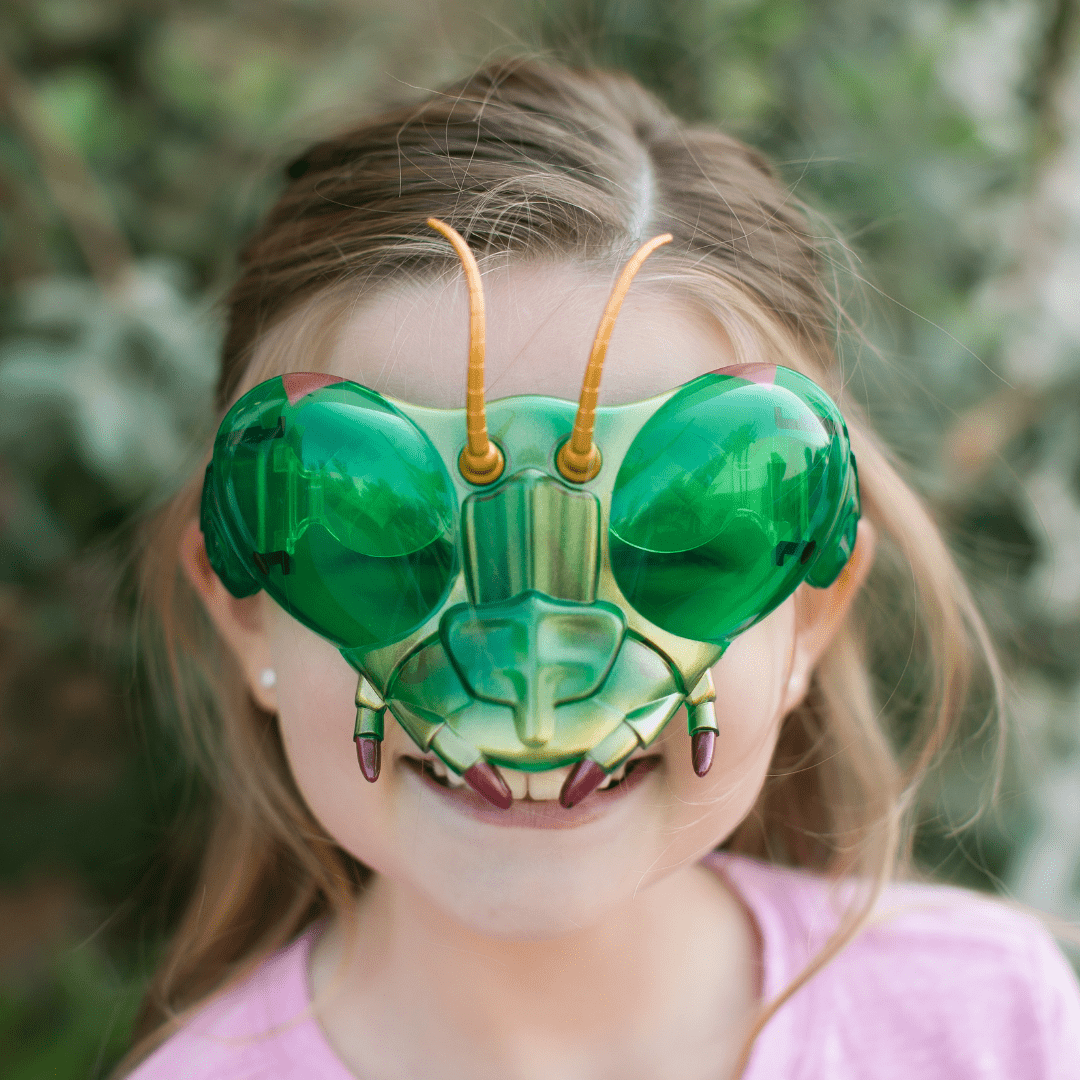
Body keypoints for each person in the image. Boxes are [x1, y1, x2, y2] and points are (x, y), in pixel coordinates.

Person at [119, 58, 1080, 1079]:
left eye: (695, 533)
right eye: (374, 532)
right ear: (245, 609)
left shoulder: (989, 1027)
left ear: (813, 611)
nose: (533, 673)